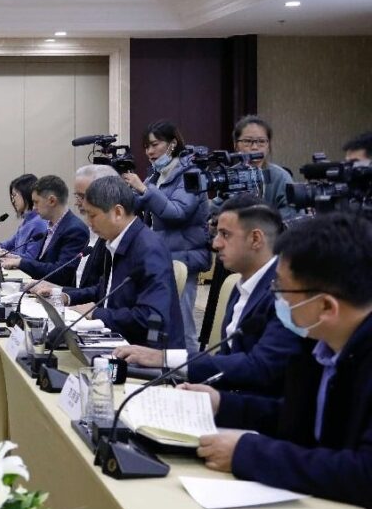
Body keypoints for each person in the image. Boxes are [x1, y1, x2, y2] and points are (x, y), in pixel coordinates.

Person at [185, 212, 372, 509]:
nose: (278, 301)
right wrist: (222, 404)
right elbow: (294, 418)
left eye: (282, 289)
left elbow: (363, 474)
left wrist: (249, 454)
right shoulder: (319, 345)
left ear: (326, 306)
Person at [113, 195, 302, 394]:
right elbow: (227, 359)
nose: (216, 244)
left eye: (225, 234)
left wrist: (165, 358)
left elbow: (257, 367)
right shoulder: (243, 285)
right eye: (216, 233)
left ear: (255, 239)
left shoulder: (285, 293)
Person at [37, 176, 185, 348]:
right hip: (116, 336)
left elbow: (150, 317)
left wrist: (96, 313)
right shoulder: (116, 241)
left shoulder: (149, 249)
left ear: (118, 213)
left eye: (93, 215)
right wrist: (65, 296)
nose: (89, 223)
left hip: (147, 352)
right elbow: (105, 290)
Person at [122, 120, 210, 353]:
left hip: (185, 257)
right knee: (161, 322)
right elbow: (137, 207)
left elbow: (177, 212)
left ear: (172, 143)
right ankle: (165, 367)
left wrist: (143, 189)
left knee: (183, 323)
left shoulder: (191, 173)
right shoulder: (156, 175)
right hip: (162, 257)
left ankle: (192, 367)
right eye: (146, 147)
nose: (149, 152)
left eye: (155, 144)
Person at [0, 175, 89, 286]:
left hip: (56, 293)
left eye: (36, 202)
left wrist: (21, 263)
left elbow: (61, 273)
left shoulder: (74, 229)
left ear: (52, 201)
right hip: (39, 288)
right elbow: (41, 263)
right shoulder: (50, 226)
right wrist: (15, 258)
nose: (34, 207)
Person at [232, 115, 297, 219]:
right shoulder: (229, 175)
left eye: (261, 141)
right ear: (236, 145)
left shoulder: (281, 177)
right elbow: (214, 211)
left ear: (268, 146)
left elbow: (291, 216)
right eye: (247, 141)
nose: (254, 147)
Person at [0, 174, 46, 258]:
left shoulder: (38, 222)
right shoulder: (27, 220)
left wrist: (0, 252)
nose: (13, 200)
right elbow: (9, 244)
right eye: (12, 196)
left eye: (14, 195)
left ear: (26, 193)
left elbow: (29, 258)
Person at [72, 164, 118, 288]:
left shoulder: (115, 237)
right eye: (77, 196)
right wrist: (61, 293)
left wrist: (64, 294)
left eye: (82, 197)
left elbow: (104, 291)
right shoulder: (93, 230)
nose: (77, 203)